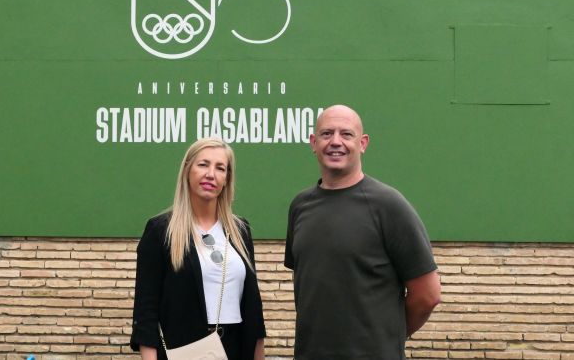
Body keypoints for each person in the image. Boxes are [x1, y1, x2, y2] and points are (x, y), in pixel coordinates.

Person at [284, 104, 441, 359]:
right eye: (326, 134)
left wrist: (387, 339)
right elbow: (309, 286)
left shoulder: (389, 205)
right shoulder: (300, 206)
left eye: (346, 134)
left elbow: (428, 294)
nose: (336, 142)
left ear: (363, 143)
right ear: (313, 142)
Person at [130, 138, 266, 360]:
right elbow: (146, 313)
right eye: (203, 164)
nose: (211, 174)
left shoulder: (240, 230)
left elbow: (254, 311)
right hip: (184, 350)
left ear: (227, 178)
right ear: (187, 170)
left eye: (220, 168)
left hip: (236, 349)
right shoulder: (160, 231)